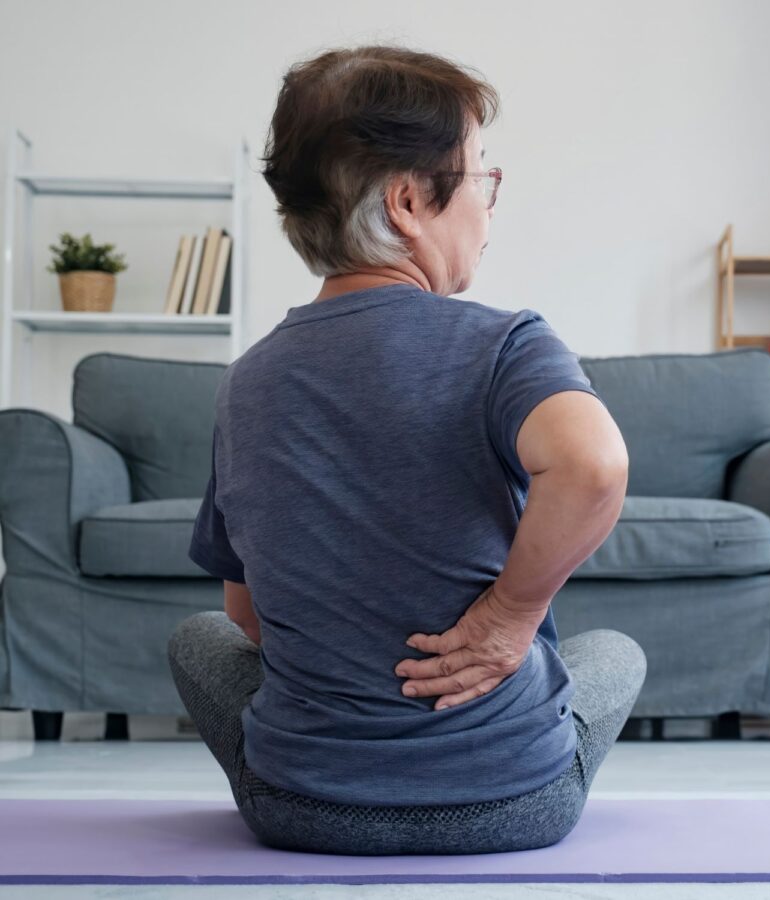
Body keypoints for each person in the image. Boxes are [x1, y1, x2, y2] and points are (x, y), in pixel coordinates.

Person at [166, 44, 646, 856]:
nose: (490, 211)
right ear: (408, 202)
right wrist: (507, 618)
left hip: (299, 808)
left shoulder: (246, 382)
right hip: (514, 804)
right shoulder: (505, 344)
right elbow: (594, 465)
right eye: (483, 180)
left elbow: (245, 621)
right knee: (616, 654)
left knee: (194, 639)